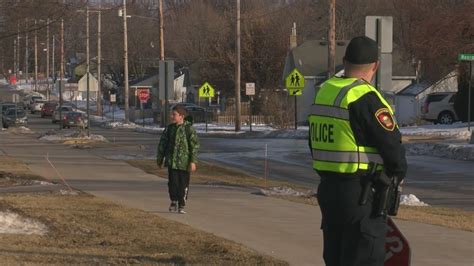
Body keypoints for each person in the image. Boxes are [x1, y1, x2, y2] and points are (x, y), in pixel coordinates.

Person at [308, 36, 407, 266]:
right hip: (361, 195)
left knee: (337, 258)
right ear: (375, 66)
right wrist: (396, 176)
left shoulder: (325, 92)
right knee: (364, 258)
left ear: (344, 61)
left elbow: (314, 143)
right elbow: (392, 147)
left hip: (329, 191)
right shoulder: (364, 97)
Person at [157, 105, 199, 214]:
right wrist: (160, 159)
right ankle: (174, 201)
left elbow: (194, 146)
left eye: (174, 114)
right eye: (172, 114)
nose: (172, 116)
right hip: (172, 162)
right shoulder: (169, 129)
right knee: (172, 183)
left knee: (183, 184)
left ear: (181, 116)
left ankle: (181, 204)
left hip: (184, 163)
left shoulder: (188, 129)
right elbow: (162, 144)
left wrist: (193, 161)